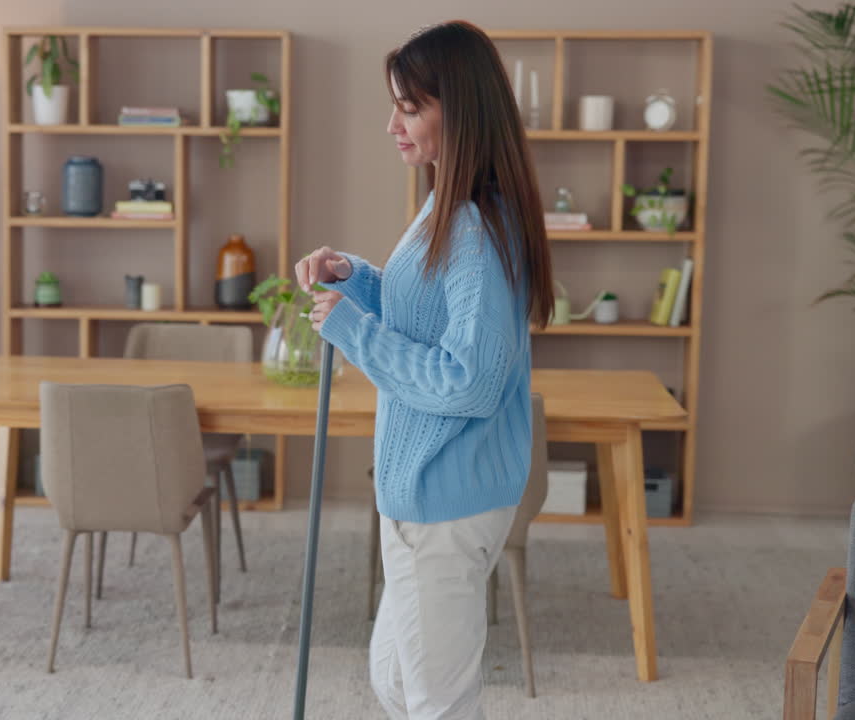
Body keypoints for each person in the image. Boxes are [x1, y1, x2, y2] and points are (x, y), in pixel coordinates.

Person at [294, 20, 554, 720]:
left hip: (447, 496)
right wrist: (360, 281)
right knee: (397, 684)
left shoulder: (475, 230)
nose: (392, 126)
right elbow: (425, 309)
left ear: (459, 112)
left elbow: (467, 380)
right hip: (423, 490)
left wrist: (352, 332)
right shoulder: (448, 204)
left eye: (410, 109)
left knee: (436, 702)